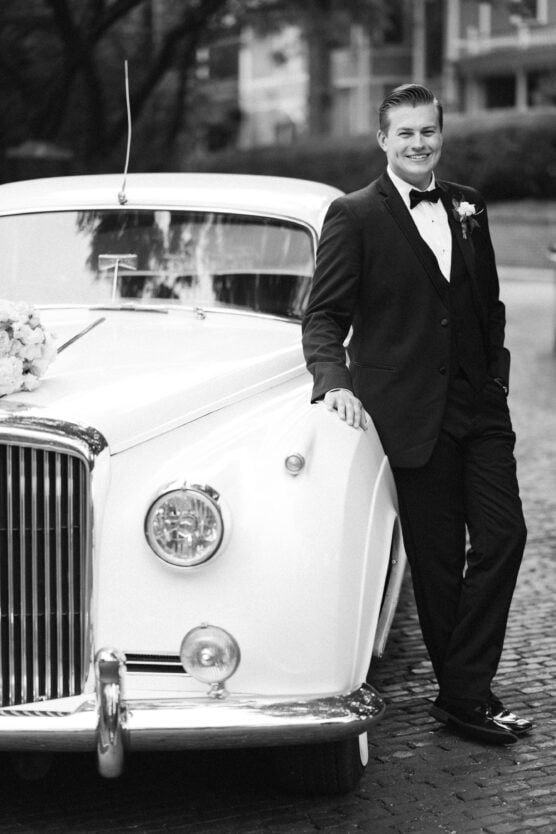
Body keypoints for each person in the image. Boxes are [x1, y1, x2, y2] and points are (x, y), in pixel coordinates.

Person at [302, 83, 531, 745]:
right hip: (406, 412)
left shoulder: (469, 205)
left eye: (428, 131)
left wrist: (495, 380)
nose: (418, 143)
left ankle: (461, 691)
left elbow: (487, 305)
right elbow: (324, 317)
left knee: (504, 537)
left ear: (441, 134)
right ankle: (467, 698)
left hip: (479, 407)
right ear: (383, 140)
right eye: (405, 133)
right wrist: (333, 382)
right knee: (436, 563)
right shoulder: (354, 215)